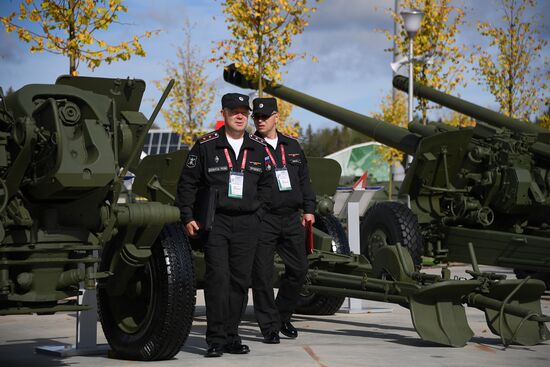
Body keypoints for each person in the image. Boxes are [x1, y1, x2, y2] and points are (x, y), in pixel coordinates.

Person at [175, 93, 273, 358]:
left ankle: (232, 336)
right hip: (216, 223)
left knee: (240, 282)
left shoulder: (258, 146)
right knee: (218, 280)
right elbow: (187, 183)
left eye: (244, 111)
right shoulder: (206, 145)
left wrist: (259, 215)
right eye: (234, 111)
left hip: (248, 223)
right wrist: (187, 216)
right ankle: (216, 339)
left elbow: (267, 184)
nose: (240, 116)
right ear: (224, 114)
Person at [251, 97, 315, 344]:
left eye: (265, 116)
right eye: (257, 117)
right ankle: (268, 327)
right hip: (263, 219)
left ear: (276, 117)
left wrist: (308, 210)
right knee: (263, 275)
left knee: (299, 269)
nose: (260, 120)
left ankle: (282, 317)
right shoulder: (249, 147)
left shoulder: (292, 146)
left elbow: (304, 181)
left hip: (290, 218)